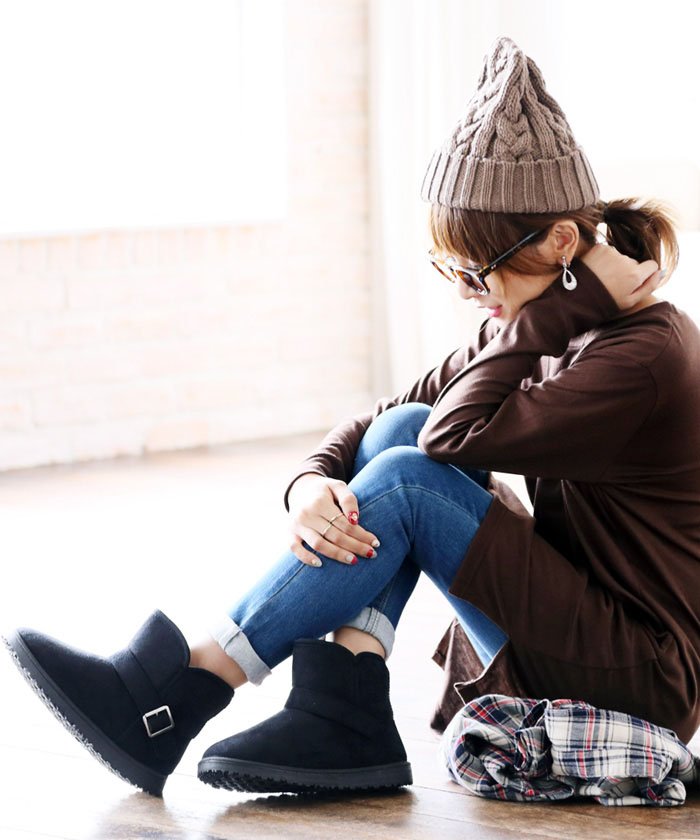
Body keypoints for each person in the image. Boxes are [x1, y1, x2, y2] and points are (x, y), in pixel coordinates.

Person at [4, 34, 699, 801]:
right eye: (450, 270)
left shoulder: (639, 356)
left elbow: (451, 438)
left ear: (563, 243)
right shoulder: (544, 325)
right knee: (398, 438)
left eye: (477, 272)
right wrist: (310, 484)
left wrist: (550, 316)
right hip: (579, 627)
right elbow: (391, 418)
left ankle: (184, 690)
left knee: (409, 479)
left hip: (640, 673)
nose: (466, 293)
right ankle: (346, 706)